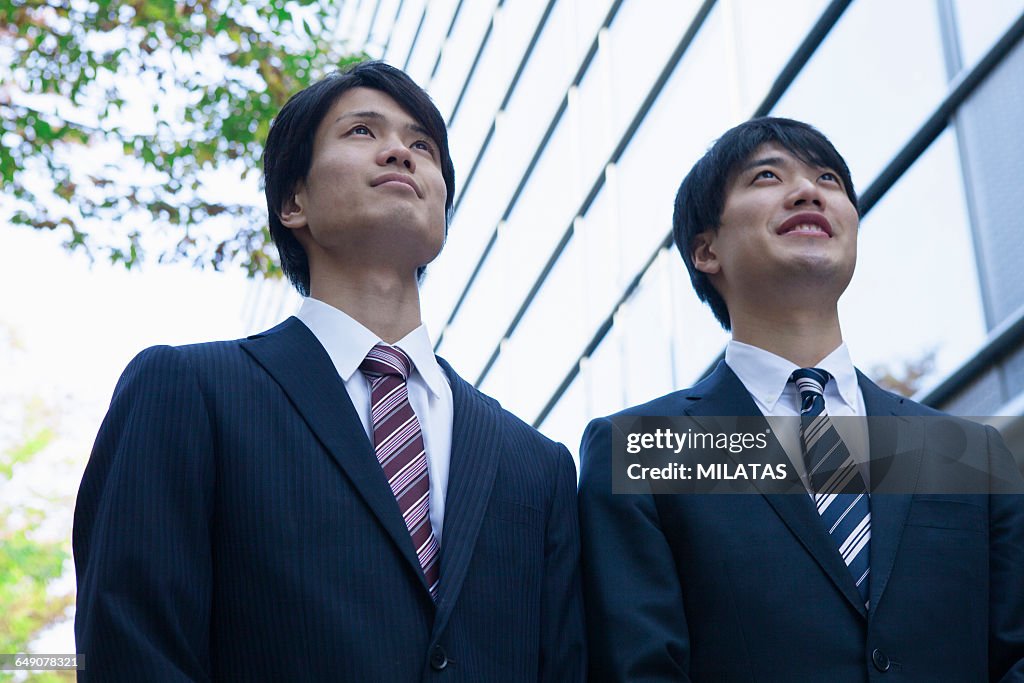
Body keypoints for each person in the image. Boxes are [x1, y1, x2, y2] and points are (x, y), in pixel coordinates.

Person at [74, 60, 585, 682]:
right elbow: (134, 647)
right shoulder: (188, 391)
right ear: (294, 202)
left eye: (422, 145)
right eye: (363, 133)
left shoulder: (538, 464)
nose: (400, 153)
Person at [578, 117, 1024, 681]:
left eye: (829, 179)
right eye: (767, 175)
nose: (809, 190)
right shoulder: (643, 448)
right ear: (706, 250)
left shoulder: (969, 454)